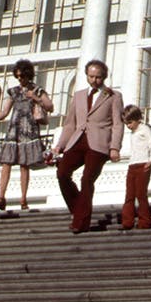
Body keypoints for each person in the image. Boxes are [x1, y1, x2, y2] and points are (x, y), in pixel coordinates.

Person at [51, 59, 125, 232]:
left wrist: (115, 147)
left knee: (87, 179)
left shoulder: (113, 96)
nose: (94, 80)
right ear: (86, 76)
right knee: (62, 173)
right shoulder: (78, 96)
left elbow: (117, 124)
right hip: (77, 140)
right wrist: (60, 145)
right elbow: (70, 124)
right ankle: (79, 210)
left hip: (99, 144)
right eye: (91, 76)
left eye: (98, 77)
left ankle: (80, 223)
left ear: (104, 77)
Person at [0, 58, 54, 209]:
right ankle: (1, 197)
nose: (20, 79)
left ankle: (23, 199)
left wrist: (36, 99)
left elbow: (50, 106)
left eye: (22, 76)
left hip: (29, 129)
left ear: (28, 75)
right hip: (14, 129)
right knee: (6, 163)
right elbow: (5, 112)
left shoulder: (37, 89)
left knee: (24, 165)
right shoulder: (14, 91)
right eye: (18, 76)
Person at [117, 104, 151, 230]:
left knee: (141, 194)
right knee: (129, 194)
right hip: (132, 165)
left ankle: (144, 221)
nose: (128, 126)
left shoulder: (144, 129)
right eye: (126, 124)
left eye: (130, 122)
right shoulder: (133, 133)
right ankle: (127, 222)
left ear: (137, 119)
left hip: (143, 164)